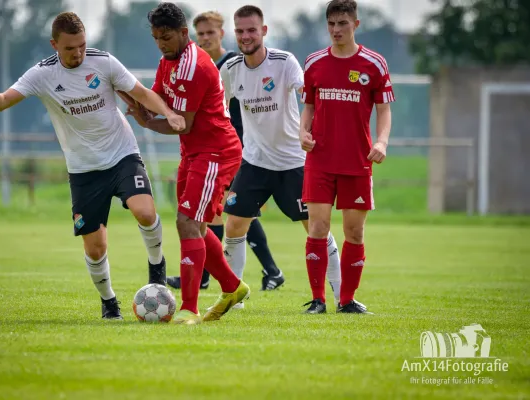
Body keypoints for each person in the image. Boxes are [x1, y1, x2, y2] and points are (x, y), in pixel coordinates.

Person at [0, 12, 185, 320]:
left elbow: (141, 93)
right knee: (96, 247)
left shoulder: (104, 62)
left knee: (145, 211)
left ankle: (157, 268)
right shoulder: (41, 74)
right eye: (70, 48)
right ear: (54, 45)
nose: (78, 53)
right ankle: (109, 302)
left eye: (82, 46)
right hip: (83, 171)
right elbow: (2, 101)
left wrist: (169, 113)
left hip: (122, 154)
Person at [126, 2, 250, 325]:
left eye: (165, 37)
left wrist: (147, 123)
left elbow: (184, 123)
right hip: (194, 153)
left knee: (186, 222)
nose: (160, 43)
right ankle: (233, 287)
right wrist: (133, 101)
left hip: (216, 151)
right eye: (155, 38)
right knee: (196, 224)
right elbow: (155, 101)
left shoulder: (194, 65)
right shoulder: (167, 61)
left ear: (183, 33)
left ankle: (189, 309)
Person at [219, 5, 343, 312]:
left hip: (294, 163)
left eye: (251, 30)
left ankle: (342, 296)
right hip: (254, 161)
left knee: (316, 228)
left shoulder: (284, 62)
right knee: (234, 225)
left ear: (263, 31)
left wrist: (312, 130)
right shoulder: (230, 70)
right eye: (240, 31)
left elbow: (309, 97)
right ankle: (234, 298)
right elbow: (218, 109)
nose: (245, 36)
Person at [165, 10, 284, 293]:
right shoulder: (197, 63)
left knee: (233, 210)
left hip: (234, 148)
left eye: (211, 33)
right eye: (201, 34)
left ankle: (264, 271)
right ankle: (220, 273)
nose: (205, 38)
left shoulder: (231, 63)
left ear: (222, 34)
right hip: (215, 149)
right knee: (225, 211)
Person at [301, 0, 395, 314]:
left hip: (357, 160)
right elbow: (309, 107)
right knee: (318, 226)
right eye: (331, 24)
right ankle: (318, 299)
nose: (336, 30)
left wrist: (381, 141)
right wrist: (303, 132)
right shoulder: (314, 63)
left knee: (354, 231)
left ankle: (347, 300)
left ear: (356, 24)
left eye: (342, 23)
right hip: (320, 159)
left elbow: (384, 110)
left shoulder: (374, 64)